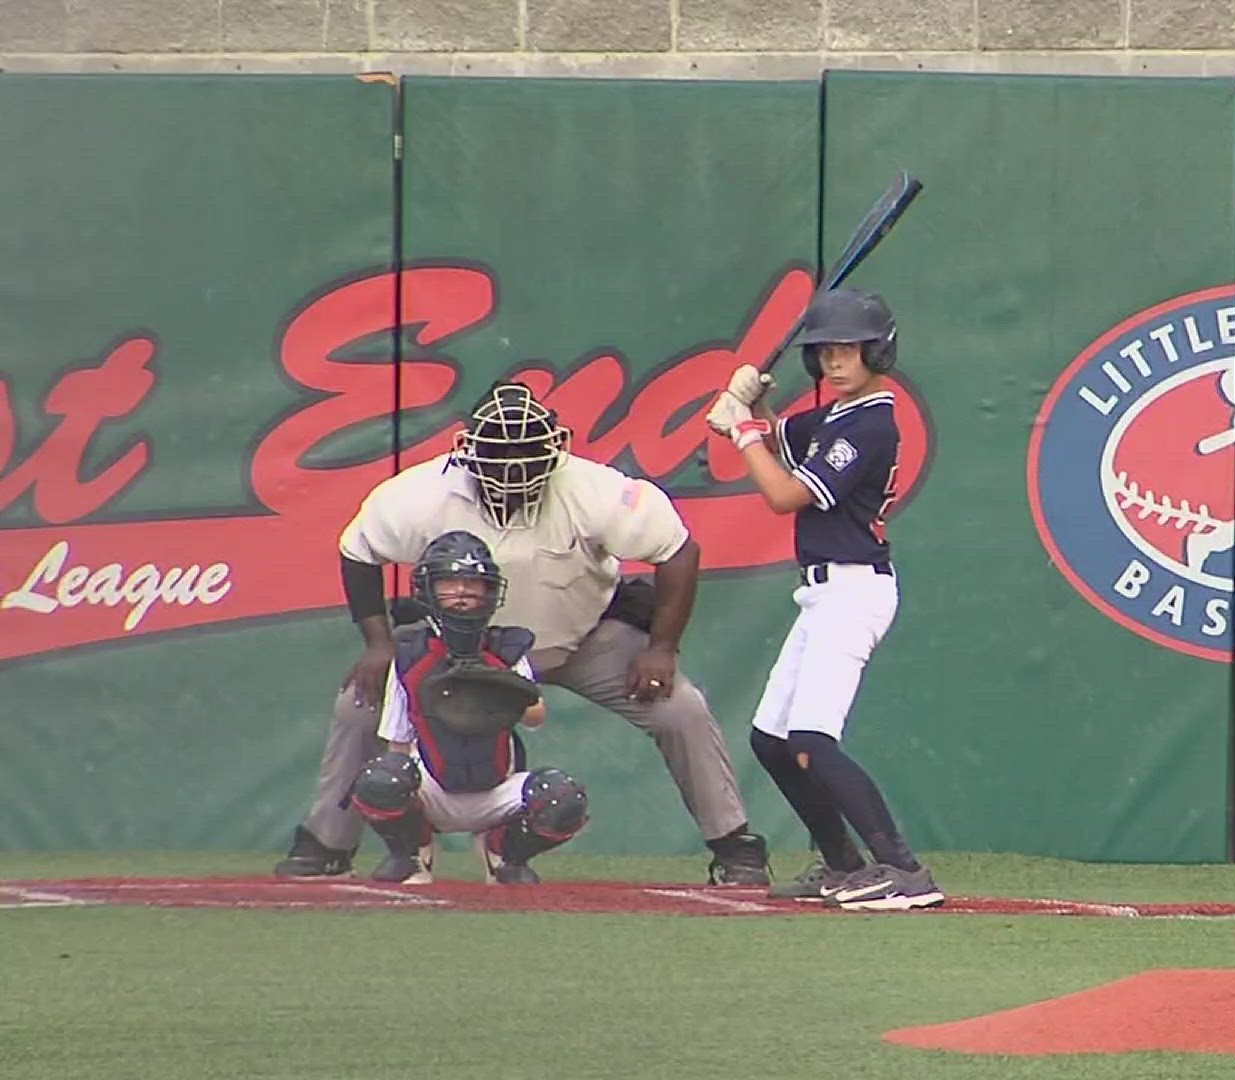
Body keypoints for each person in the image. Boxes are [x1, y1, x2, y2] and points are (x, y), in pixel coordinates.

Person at [273, 381, 772, 885]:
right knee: (359, 703)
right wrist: (380, 644)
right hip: (456, 646)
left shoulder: (594, 489)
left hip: (579, 639)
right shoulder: (419, 495)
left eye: (526, 456)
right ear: (467, 451)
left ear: (555, 450)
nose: (513, 469)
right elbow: (359, 552)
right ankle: (327, 842)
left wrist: (662, 648)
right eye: (499, 456)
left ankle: (733, 845)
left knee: (679, 707)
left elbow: (678, 550)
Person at [703, 287, 944, 911]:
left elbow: (784, 494)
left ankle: (904, 870)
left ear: (878, 352)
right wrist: (753, 405)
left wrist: (742, 432)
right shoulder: (837, 416)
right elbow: (781, 438)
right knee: (771, 740)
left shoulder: (871, 422)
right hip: (822, 592)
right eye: (825, 352)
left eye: (848, 350)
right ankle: (841, 863)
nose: (835, 362)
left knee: (810, 739)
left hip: (854, 589)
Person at [348, 530, 586, 885]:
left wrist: (501, 689)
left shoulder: (506, 648)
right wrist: (401, 792)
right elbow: (397, 739)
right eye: (450, 583)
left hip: (495, 790)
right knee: (382, 776)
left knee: (562, 797)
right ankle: (414, 853)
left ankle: (503, 852)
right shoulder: (410, 653)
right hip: (433, 786)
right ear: (429, 589)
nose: (461, 592)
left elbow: (536, 717)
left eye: (472, 584)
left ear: (489, 591)